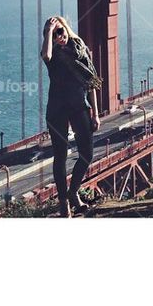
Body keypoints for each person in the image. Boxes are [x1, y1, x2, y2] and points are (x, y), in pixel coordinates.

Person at [40, 15, 102, 217]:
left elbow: (91, 81)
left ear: (66, 29)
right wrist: (49, 31)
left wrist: (95, 112)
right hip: (57, 109)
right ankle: (64, 202)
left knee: (87, 154)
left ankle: (73, 191)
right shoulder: (54, 56)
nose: (60, 36)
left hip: (79, 107)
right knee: (60, 156)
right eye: (55, 34)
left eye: (61, 31)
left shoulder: (80, 49)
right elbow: (45, 56)